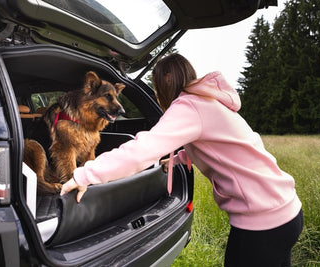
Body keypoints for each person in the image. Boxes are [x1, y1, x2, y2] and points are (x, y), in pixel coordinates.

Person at [60, 53, 303, 266]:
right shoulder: (208, 102)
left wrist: (85, 175)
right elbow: (218, 146)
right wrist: (177, 159)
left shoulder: (189, 107)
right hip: (287, 210)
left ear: (163, 85)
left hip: (264, 223)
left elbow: (142, 149)